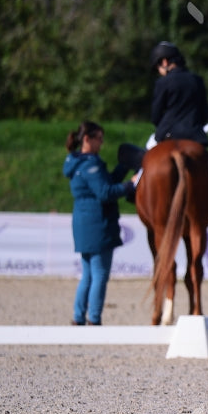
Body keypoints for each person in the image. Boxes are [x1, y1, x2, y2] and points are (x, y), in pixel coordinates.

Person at [148, 41, 208, 226]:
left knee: (144, 166)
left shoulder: (163, 82)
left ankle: (135, 190)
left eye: (158, 66)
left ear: (164, 61)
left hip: (167, 134)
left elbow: (155, 116)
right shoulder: (197, 80)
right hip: (194, 136)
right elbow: (204, 115)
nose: (158, 70)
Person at [64, 121, 137, 325]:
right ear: (87, 139)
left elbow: (105, 182)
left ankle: (79, 317)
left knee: (87, 273)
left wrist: (123, 168)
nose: (101, 144)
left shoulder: (77, 162)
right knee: (100, 274)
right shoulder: (91, 164)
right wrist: (131, 185)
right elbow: (105, 192)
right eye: (99, 139)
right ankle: (94, 318)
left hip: (83, 222)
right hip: (97, 224)